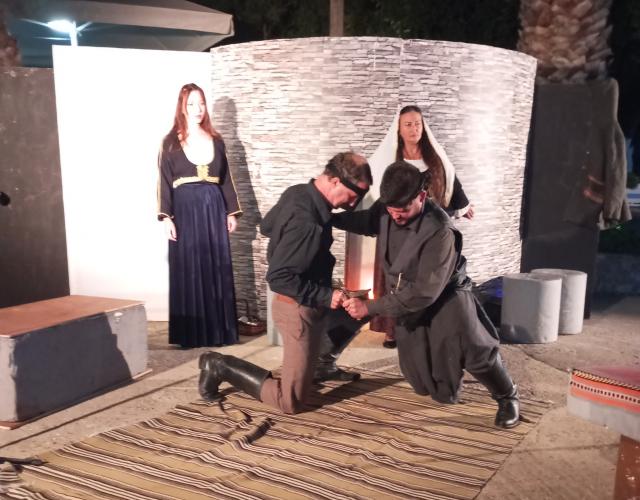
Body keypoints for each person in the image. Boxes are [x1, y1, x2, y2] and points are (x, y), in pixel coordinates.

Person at [336, 161, 519, 428]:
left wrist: (370, 307)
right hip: (408, 295)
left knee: (473, 348)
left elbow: (424, 291)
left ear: (421, 196)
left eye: (403, 210)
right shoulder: (389, 208)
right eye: (390, 210)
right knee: (419, 367)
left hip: (445, 295)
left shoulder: (439, 230)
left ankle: (507, 396)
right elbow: (367, 221)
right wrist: (328, 217)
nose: (395, 216)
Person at [198, 152, 373, 414]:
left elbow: (267, 226)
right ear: (336, 181)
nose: (355, 202)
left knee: (364, 309)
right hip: (298, 310)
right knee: (291, 401)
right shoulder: (307, 223)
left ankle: (322, 366)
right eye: (354, 194)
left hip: (313, 299)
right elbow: (278, 278)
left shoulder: (299, 192)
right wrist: (327, 296)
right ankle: (219, 365)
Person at [376, 105, 473, 348]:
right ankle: (393, 330)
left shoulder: (434, 158)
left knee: (427, 281)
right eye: (408, 124)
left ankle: (429, 328)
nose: (414, 128)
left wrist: (463, 205)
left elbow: (450, 178)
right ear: (399, 129)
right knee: (397, 279)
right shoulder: (393, 161)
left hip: (429, 231)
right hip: (401, 231)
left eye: (417, 123)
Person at [157, 83, 241, 348]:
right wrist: (166, 217)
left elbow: (226, 179)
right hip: (185, 210)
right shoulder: (170, 142)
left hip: (214, 208)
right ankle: (190, 333)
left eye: (201, 103)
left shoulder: (217, 140)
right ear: (182, 107)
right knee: (190, 267)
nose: (197, 109)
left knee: (216, 266)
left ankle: (218, 331)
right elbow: (163, 181)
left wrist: (231, 212)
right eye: (191, 104)